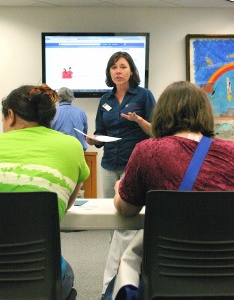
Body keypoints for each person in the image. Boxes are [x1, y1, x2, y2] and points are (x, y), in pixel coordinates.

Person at [0, 83, 90, 300]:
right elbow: (64, 205)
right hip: (39, 278)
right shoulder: (72, 146)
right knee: (66, 272)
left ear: (10, 115)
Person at [110, 80, 234, 299]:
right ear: (204, 114)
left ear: (162, 114)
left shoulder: (148, 151)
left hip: (166, 275)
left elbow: (126, 209)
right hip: (226, 275)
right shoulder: (230, 152)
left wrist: (120, 187)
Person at [85, 51, 156, 297]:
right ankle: (115, 265)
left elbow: (156, 131)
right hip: (109, 164)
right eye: (114, 67)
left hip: (133, 165)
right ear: (109, 72)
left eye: (123, 66)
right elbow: (100, 134)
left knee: (131, 216)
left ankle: (133, 267)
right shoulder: (105, 99)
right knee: (112, 216)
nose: (118, 71)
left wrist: (138, 121)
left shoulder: (144, 95)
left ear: (131, 71)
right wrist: (93, 139)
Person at [51, 87, 88, 151]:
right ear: (72, 98)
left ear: (57, 98)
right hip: (77, 151)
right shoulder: (81, 113)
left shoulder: (52, 113)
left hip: (57, 150)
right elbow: (84, 133)